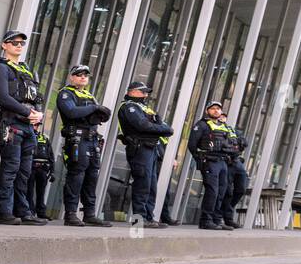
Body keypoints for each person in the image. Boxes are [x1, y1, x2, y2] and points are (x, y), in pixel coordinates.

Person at [0, 31, 46, 225]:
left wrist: (38, 114)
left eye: (22, 43)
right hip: (12, 123)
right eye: (14, 42)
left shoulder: (26, 69)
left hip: (28, 127)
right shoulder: (0, 68)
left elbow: (36, 96)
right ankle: (4, 213)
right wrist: (28, 113)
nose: (19, 46)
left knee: (25, 172)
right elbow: (4, 98)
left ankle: (23, 212)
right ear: (4, 45)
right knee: (10, 169)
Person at [55, 64, 112, 227]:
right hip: (77, 139)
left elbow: (100, 117)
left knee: (92, 176)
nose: (83, 77)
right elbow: (72, 112)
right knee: (76, 176)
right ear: (71, 77)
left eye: (86, 75)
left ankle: (89, 214)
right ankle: (71, 214)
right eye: (79, 74)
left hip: (92, 139)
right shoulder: (66, 93)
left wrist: (93, 111)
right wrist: (93, 108)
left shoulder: (89, 95)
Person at [117, 80, 176, 228]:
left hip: (151, 148)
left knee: (151, 186)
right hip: (139, 148)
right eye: (142, 91)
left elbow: (160, 124)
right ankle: (139, 220)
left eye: (146, 92)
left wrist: (162, 128)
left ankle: (149, 218)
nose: (145, 94)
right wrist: (163, 129)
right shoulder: (129, 107)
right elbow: (142, 125)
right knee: (142, 185)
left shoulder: (145, 108)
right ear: (132, 91)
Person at [187, 100, 236, 231]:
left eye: (218, 109)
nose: (216, 111)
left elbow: (232, 142)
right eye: (213, 108)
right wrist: (200, 158)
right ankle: (206, 220)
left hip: (223, 162)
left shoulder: (223, 126)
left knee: (221, 192)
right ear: (207, 110)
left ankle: (216, 220)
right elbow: (192, 144)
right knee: (212, 192)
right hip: (209, 162)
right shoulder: (201, 125)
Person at [220, 117, 249, 229]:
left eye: (224, 116)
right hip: (225, 162)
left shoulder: (231, 130)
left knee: (241, 189)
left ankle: (227, 210)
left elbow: (243, 141)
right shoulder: (215, 129)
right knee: (227, 192)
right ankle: (227, 218)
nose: (222, 118)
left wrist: (239, 143)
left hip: (236, 161)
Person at [31, 119, 53, 220]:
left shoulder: (43, 138)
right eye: (34, 124)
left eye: (37, 125)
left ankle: (41, 212)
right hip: (30, 167)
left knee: (41, 192)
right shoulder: (27, 135)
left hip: (43, 169)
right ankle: (30, 211)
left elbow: (51, 155)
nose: (36, 127)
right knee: (28, 191)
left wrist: (52, 171)